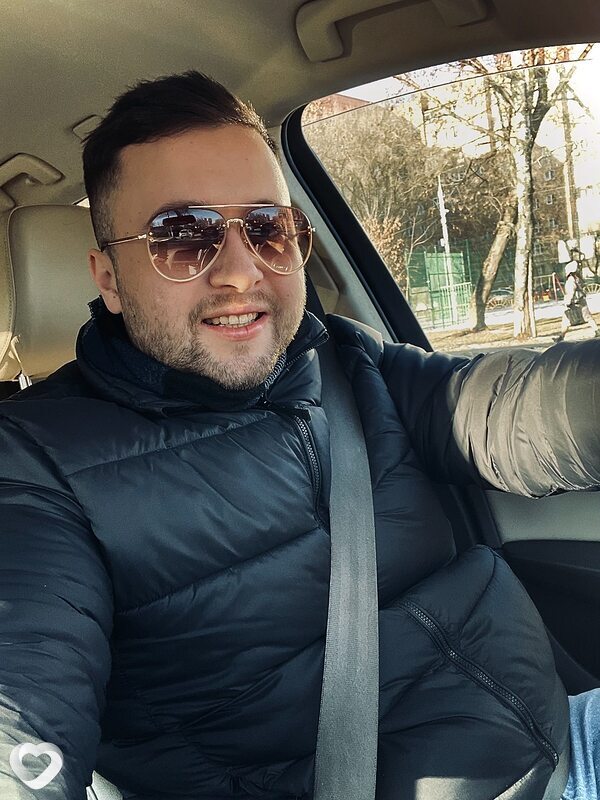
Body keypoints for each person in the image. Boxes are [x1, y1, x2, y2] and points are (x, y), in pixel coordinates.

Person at [0, 71, 599, 800]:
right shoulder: (34, 465)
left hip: (568, 737)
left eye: (268, 227)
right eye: (183, 237)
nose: (241, 271)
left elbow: (508, 408)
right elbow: (22, 696)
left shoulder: (344, 360)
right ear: (109, 278)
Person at [554, 250, 599, 343]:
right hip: (581, 301)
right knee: (588, 317)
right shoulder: (577, 278)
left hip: (574, 303)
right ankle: (596, 330)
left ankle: (561, 337)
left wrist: (568, 302)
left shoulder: (571, 281)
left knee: (566, 319)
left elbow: (570, 292)